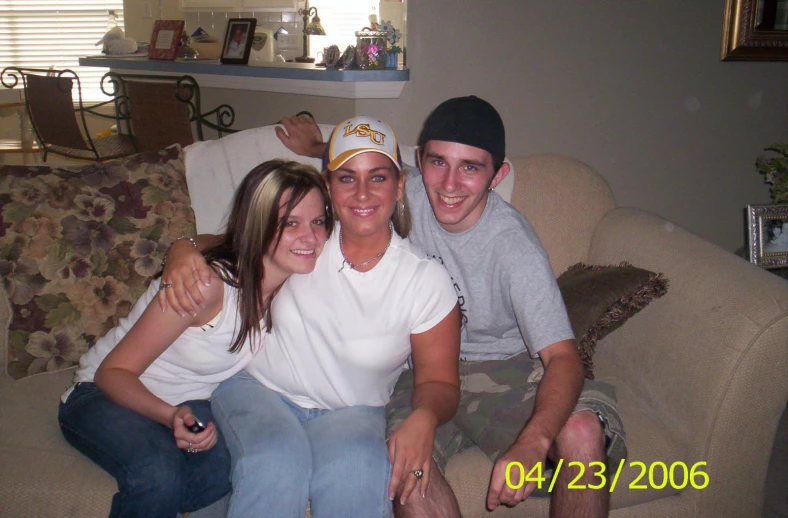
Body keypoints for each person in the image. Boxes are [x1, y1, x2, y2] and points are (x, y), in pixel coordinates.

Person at [273, 98, 627, 518]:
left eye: (471, 168)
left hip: (503, 369)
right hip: (415, 370)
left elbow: (564, 358)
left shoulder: (513, 246)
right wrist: (317, 145)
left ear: (498, 175)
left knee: (583, 432)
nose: (450, 184)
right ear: (419, 163)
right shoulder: (398, 191)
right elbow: (360, 171)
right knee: (405, 472)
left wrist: (534, 443)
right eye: (438, 162)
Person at [161, 116, 462, 517]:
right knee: (276, 464)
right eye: (346, 178)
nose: (362, 193)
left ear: (400, 185)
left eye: (378, 177)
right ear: (327, 186)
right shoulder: (306, 239)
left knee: (360, 480)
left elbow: (439, 381)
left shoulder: (425, 280)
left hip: (352, 413)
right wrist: (182, 248)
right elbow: (235, 238)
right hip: (258, 390)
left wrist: (424, 416)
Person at [58, 160, 333, 518]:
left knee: (224, 471)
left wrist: (183, 245)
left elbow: (218, 239)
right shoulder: (206, 287)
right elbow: (113, 373)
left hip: (191, 400)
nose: (310, 238)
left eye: (318, 222)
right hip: (104, 395)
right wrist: (169, 415)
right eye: (290, 223)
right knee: (158, 474)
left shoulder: (296, 278)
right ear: (258, 225)